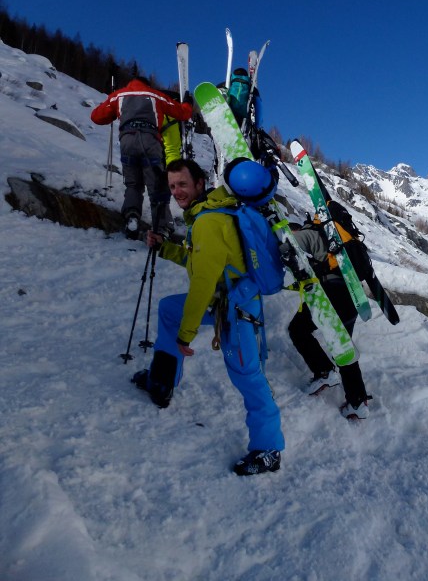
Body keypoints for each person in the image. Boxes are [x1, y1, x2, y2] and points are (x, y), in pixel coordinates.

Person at [135, 158, 285, 476]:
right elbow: (200, 261)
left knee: (247, 376)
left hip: (237, 309)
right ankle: (162, 382)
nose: (177, 191)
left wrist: (185, 335)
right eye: (173, 185)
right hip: (225, 300)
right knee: (168, 309)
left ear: (200, 183)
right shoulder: (208, 214)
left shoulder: (208, 222)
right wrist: (166, 248)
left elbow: (202, 284)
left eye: (183, 185)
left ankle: (269, 450)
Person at [90, 76, 193, 239]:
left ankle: (132, 217)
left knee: (133, 184)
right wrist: (187, 103)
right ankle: (162, 228)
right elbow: (182, 113)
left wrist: (112, 111)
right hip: (150, 141)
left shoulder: (119, 95)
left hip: (127, 142)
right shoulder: (155, 95)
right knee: (156, 186)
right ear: (148, 84)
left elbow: (96, 117)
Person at [287, 221, 371, 420]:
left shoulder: (306, 235)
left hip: (331, 295)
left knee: (298, 330)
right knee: (344, 349)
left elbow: (286, 244)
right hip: (352, 296)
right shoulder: (332, 237)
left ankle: (324, 372)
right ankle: (357, 402)